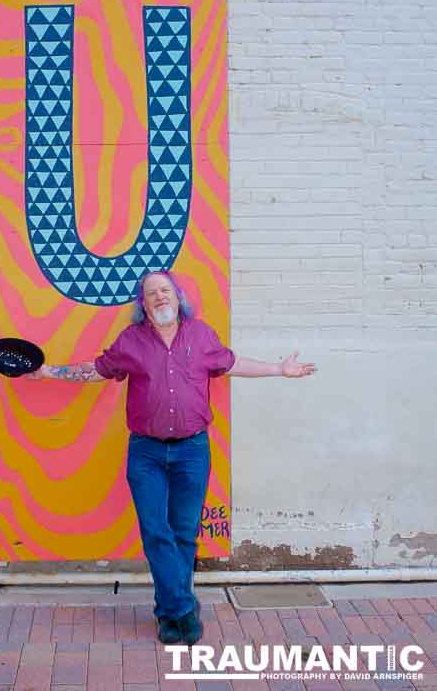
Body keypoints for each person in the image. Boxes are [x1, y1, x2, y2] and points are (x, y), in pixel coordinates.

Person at [30, 270, 316, 645]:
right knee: (155, 533)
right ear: (143, 304)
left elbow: (233, 363)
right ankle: (182, 609)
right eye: (151, 293)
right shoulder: (131, 341)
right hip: (146, 453)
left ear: (177, 296)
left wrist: (278, 369)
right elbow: (95, 371)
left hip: (192, 452)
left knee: (184, 534)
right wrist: (49, 371)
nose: (159, 297)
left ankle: (168, 613)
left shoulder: (200, 335)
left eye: (165, 290)